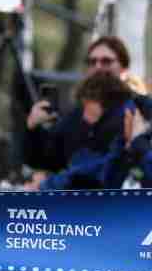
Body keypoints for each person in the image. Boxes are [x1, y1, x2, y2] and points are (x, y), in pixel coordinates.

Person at [23, 36, 134, 174]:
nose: (98, 67)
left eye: (106, 61)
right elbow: (44, 161)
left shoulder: (139, 110)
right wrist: (33, 127)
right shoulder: (75, 115)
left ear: (123, 68)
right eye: (92, 62)